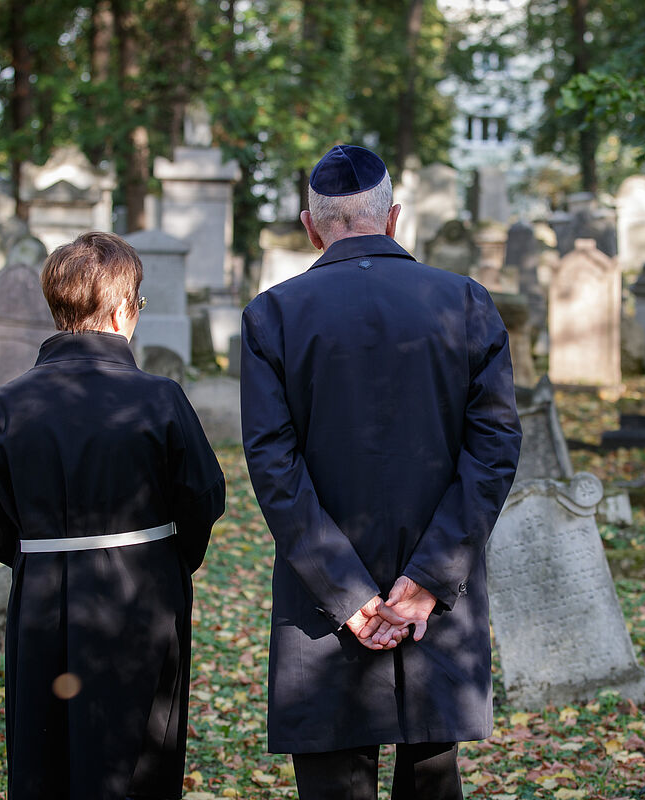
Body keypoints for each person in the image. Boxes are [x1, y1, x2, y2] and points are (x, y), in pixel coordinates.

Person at [240, 144, 522, 800]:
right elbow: (495, 448)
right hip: (433, 591)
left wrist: (347, 594)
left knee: (333, 778)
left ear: (311, 227)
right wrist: (428, 581)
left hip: (323, 592)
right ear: (393, 218)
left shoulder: (273, 316)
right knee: (431, 772)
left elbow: (273, 465)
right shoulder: (466, 301)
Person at [0, 231, 226, 800]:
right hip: (141, 596)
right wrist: (164, 560)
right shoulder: (159, 398)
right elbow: (204, 498)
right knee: (139, 758)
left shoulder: (9, 402)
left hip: (43, 601)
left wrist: (43, 559)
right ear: (119, 309)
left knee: (45, 754)